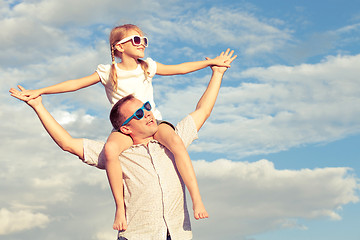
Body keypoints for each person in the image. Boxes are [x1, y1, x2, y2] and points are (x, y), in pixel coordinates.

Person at [10, 24, 233, 230]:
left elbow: (181, 69)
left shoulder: (147, 67)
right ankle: (120, 207)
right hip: (123, 129)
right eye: (136, 39)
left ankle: (196, 197)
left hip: (155, 123)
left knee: (175, 141)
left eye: (144, 39)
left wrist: (211, 64)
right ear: (119, 46)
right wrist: (41, 92)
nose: (143, 43)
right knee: (110, 151)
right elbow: (74, 85)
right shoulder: (108, 72)